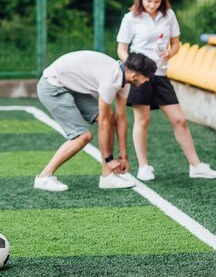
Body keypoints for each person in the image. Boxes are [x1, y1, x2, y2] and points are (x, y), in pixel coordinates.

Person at [116, 0, 216, 181]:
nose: (152, 5)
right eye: (148, 1)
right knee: (142, 120)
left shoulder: (169, 15)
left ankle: (196, 165)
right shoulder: (130, 18)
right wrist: (135, 66)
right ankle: (144, 166)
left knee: (179, 120)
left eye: (156, 1)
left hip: (161, 74)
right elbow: (121, 49)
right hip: (140, 76)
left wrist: (170, 54)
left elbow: (176, 43)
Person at [34, 50, 157, 191]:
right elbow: (103, 124)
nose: (148, 80)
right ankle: (43, 177)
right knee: (83, 136)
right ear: (134, 75)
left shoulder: (125, 79)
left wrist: (123, 156)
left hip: (70, 85)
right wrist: (109, 159)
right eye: (147, 77)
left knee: (109, 116)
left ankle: (108, 177)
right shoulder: (111, 79)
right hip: (53, 86)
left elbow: (120, 118)